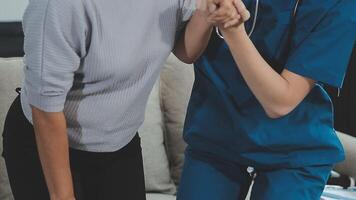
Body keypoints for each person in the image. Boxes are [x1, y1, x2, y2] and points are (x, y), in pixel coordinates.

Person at [1, 0, 240, 199]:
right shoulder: (60, 5)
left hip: (118, 143)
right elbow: (46, 108)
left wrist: (207, 14)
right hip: (45, 141)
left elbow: (185, 51)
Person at [173, 0, 356, 199]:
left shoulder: (337, 5)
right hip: (216, 137)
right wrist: (206, 10)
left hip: (293, 150)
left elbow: (280, 103)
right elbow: (186, 52)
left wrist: (232, 30)